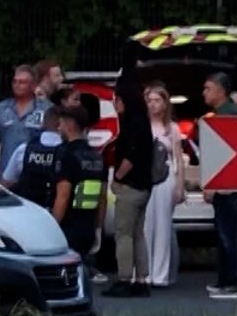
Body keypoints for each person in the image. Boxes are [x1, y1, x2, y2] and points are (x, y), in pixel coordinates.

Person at [104, 77, 160, 298]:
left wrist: (117, 177)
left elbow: (130, 155)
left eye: (117, 99)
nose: (115, 104)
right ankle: (141, 279)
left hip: (130, 185)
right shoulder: (143, 121)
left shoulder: (131, 124)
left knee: (124, 233)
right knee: (138, 234)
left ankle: (124, 278)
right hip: (144, 187)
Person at [200, 74, 237, 298]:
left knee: (227, 234)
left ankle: (231, 281)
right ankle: (226, 280)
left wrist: (211, 183)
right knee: (226, 233)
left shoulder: (224, 117)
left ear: (221, 91)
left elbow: (219, 154)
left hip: (225, 185)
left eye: (208, 88)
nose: (204, 93)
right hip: (234, 184)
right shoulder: (234, 113)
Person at [48, 99, 109, 271]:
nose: (58, 127)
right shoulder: (97, 157)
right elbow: (102, 198)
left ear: (69, 125)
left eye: (60, 123)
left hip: (68, 228)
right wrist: (98, 229)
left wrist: (52, 227)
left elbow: (63, 195)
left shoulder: (66, 154)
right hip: (88, 227)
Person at [139, 82, 182, 289]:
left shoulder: (172, 128)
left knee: (163, 225)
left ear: (165, 104)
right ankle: (144, 272)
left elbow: (179, 159)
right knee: (145, 224)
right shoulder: (141, 125)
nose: (153, 105)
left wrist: (180, 185)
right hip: (145, 178)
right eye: (150, 101)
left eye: (157, 100)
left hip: (166, 178)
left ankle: (160, 274)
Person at [0, 65, 50, 194]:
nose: (17, 85)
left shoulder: (46, 110)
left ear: (33, 85)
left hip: (34, 181)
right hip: (6, 180)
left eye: (22, 82)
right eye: (14, 81)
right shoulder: (1, 109)